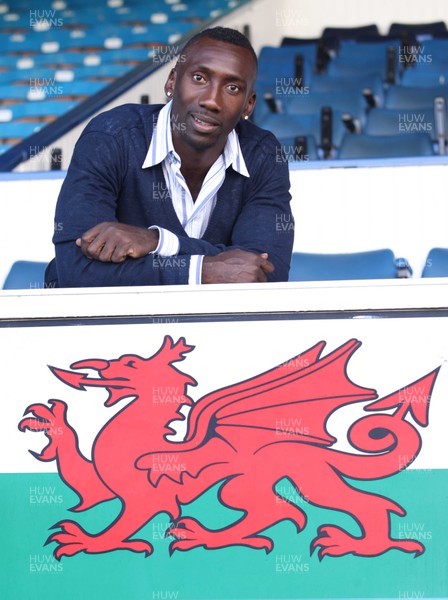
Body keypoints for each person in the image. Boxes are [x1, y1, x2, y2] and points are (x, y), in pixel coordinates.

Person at [45, 26, 294, 287]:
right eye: (199, 78)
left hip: (210, 323)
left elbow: (264, 274)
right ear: (172, 81)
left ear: (249, 104)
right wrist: (202, 271)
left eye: (232, 87)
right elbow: (77, 271)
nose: (211, 100)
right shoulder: (111, 136)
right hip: (105, 323)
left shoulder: (264, 155)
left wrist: (156, 241)